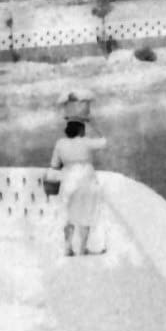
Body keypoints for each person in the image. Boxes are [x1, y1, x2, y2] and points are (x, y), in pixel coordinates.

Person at [47, 96, 107, 258]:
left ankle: (68, 248)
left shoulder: (60, 143)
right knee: (87, 213)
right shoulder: (86, 142)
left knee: (69, 215)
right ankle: (82, 249)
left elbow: (54, 165)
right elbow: (104, 141)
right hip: (87, 180)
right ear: (81, 130)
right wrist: (93, 123)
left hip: (68, 179)